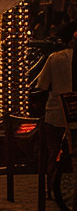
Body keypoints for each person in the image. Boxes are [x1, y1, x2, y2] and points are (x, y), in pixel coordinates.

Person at [35, 23, 77, 181]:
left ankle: (51, 185)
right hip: (70, 114)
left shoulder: (54, 59)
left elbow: (42, 85)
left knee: (53, 151)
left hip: (55, 113)